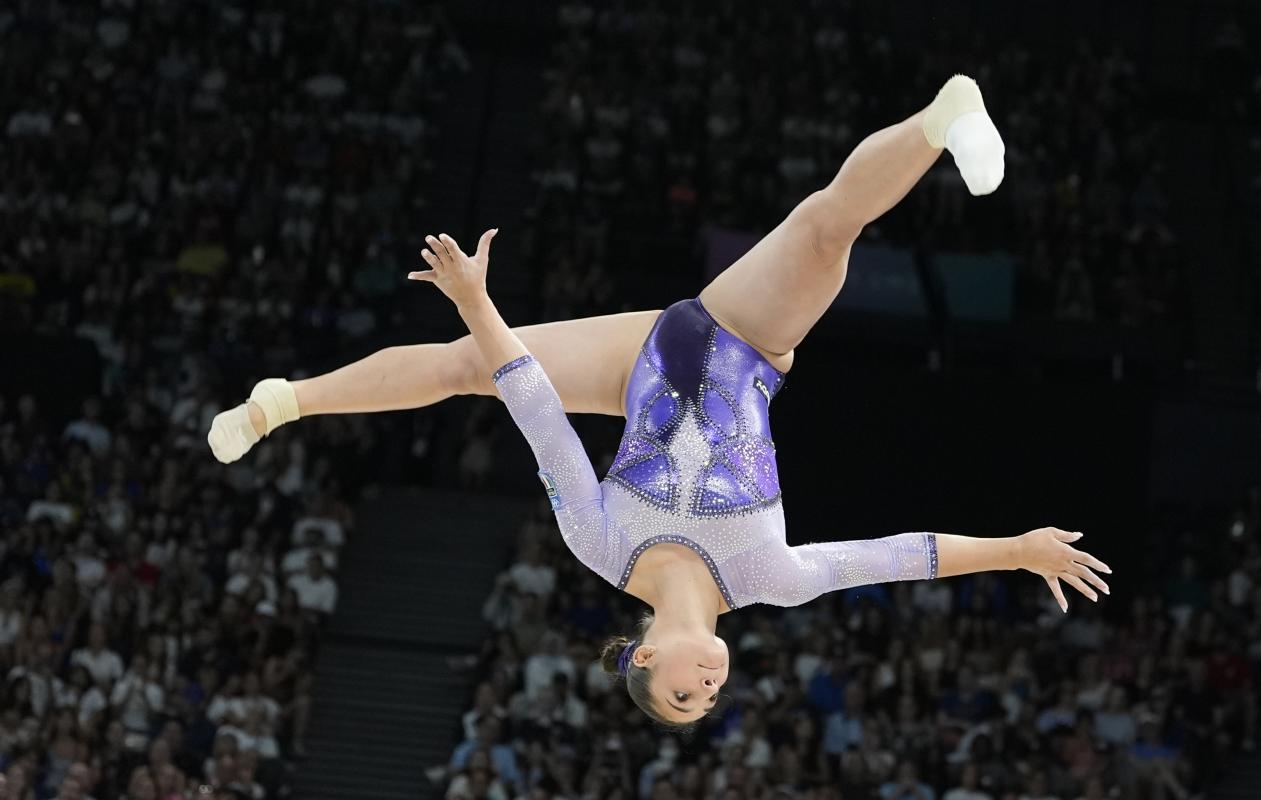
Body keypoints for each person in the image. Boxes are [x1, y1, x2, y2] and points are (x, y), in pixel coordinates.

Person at [208, 76, 1111, 725]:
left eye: (687, 691)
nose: (710, 683)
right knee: (826, 230)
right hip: (740, 341)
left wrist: (480, 304)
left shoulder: (602, 544)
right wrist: (1017, 549)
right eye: (711, 697)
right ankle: (935, 125)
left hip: (640, 362)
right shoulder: (769, 578)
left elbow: (538, 417)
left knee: (464, 363)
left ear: (644, 657)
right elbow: (901, 556)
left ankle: (283, 401)